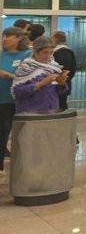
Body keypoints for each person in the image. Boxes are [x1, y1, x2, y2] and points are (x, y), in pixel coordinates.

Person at [12, 36, 68, 112]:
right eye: (45, 52)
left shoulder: (54, 67)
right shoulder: (25, 67)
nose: (48, 56)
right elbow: (17, 92)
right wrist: (41, 84)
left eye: (51, 52)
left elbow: (60, 92)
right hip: (30, 113)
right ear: (35, 51)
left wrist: (61, 83)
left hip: (52, 111)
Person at [1, 27, 31, 170]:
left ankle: (24, 169)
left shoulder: (28, 55)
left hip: (21, 103)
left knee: (22, 138)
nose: (4, 39)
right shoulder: (2, 55)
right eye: (3, 36)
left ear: (18, 38)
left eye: (8, 36)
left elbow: (30, 79)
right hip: (2, 102)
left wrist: (7, 75)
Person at [51, 31, 77, 111]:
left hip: (60, 83)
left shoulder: (63, 51)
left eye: (52, 38)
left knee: (60, 106)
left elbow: (63, 69)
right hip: (59, 83)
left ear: (55, 39)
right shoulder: (62, 51)